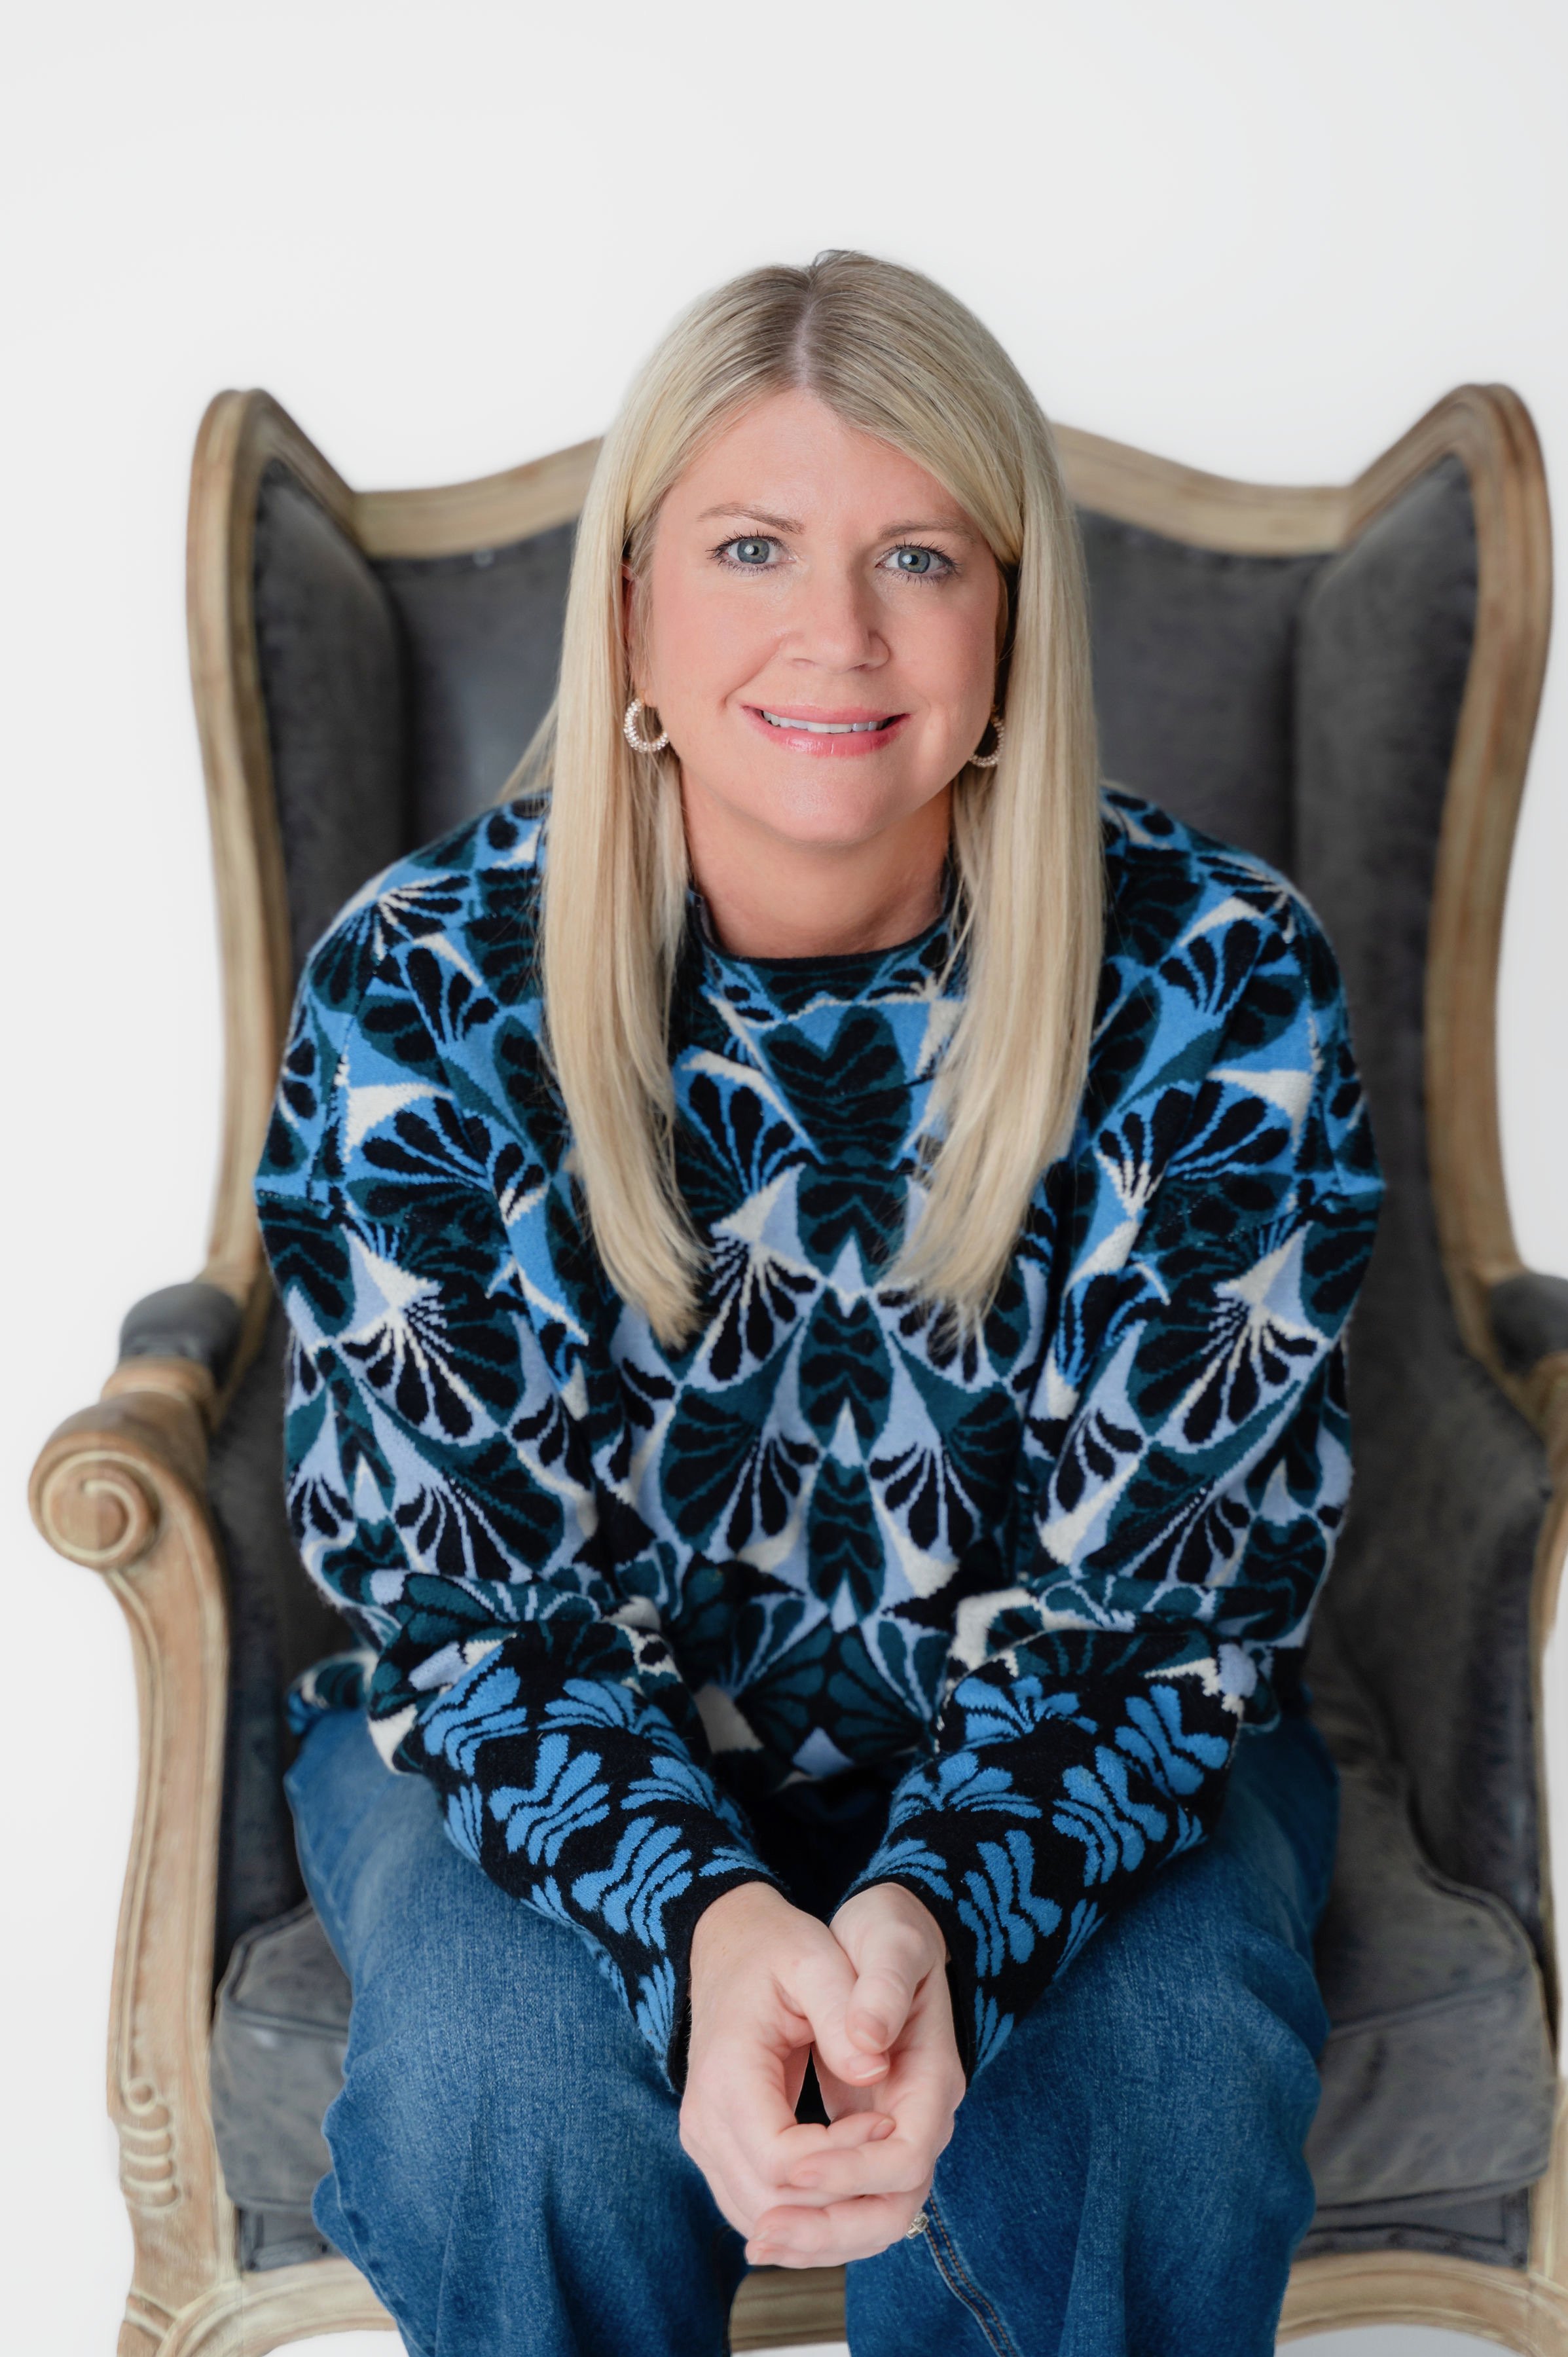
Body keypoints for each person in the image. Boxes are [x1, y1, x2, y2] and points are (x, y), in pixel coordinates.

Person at [256, 249, 1383, 2357]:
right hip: (540, 1741)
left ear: (1013, 623)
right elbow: (477, 1611)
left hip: (1077, 1744)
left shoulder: (1220, 984)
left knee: (1153, 2084)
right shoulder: (419, 989)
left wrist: (924, 1916)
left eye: (920, 558)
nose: (837, 634)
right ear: (633, 620)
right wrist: (709, 1927)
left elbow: (1156, 1620)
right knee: (510, 2103)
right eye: (752, 546)